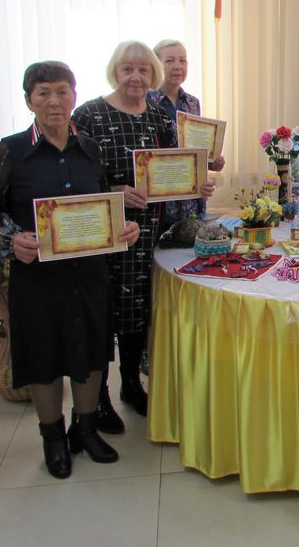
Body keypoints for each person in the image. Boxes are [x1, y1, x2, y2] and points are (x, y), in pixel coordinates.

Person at [0, 61, 140, 478]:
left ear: (74, 96)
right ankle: (52, 438)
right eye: (43, 93)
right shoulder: (11, 151)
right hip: (37, 276)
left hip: (89, 271)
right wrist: (12, 239)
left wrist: (125, 226)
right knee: (44, 355)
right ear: (29, 100)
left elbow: (103, 201)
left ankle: (84, 430)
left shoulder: (90, 148)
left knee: (92, 350)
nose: (54, 101)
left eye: (62, 91)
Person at [73, 41, 215, 428]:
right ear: (114, 72)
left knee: (136, 310)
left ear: (153, 74)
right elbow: (73, 177)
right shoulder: (89, 115)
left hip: (149, 230)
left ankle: (131, 385)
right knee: (102, 313)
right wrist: (115, 191)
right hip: (103, 232)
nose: (136, 77)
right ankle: (97, 398)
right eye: (127, 69)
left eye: (143, 69)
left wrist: (197, 183)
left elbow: (174, 166)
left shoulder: (157, 115)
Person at [147, 39, 225, 222]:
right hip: (161, 199)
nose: (177, 66)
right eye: (169, 61)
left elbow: (193, 148)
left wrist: (211, 161)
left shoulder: (192, 103)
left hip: (192, 199)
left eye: (182, 60)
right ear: (155, 65)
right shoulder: (145, 102)